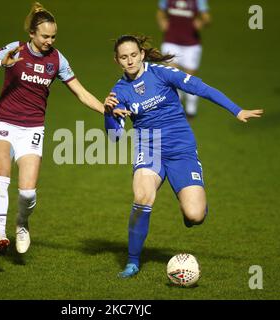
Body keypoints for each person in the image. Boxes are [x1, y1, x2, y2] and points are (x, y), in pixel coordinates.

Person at [104, 35, 263, 278]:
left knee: (195, 215)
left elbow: (201, 88)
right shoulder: (119, 91)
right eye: (124, 57)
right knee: (142, 196)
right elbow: (115, 137)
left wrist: (236, 110)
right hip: (150, 148)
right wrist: (108, 113)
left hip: (181, 148)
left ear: (142, 54)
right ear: (117, 60)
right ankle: (133, 262)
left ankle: (192, 210)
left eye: (133, 55)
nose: (130, 60)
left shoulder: (162, 73)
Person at [0, 2, 110, 255]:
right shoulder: (15, 48)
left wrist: (105, 109)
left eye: (53, 36)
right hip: (3, 122)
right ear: (32, 34)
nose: (49, 41)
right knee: (2, 172)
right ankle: (0, 234)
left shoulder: (57, 59)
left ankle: (22, 224)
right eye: (45, 36)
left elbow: (80, 92)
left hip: (32, 129)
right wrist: (1, 62)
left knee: (27, 193)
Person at [156, 0, 211, 118]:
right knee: (171, 75)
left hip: (191, 45)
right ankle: (176, 104)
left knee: (189, 77)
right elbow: (161, 12)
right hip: (171, 41)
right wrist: (162, 22)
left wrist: (201, 22)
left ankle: (191, 108)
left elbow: (207, 17)